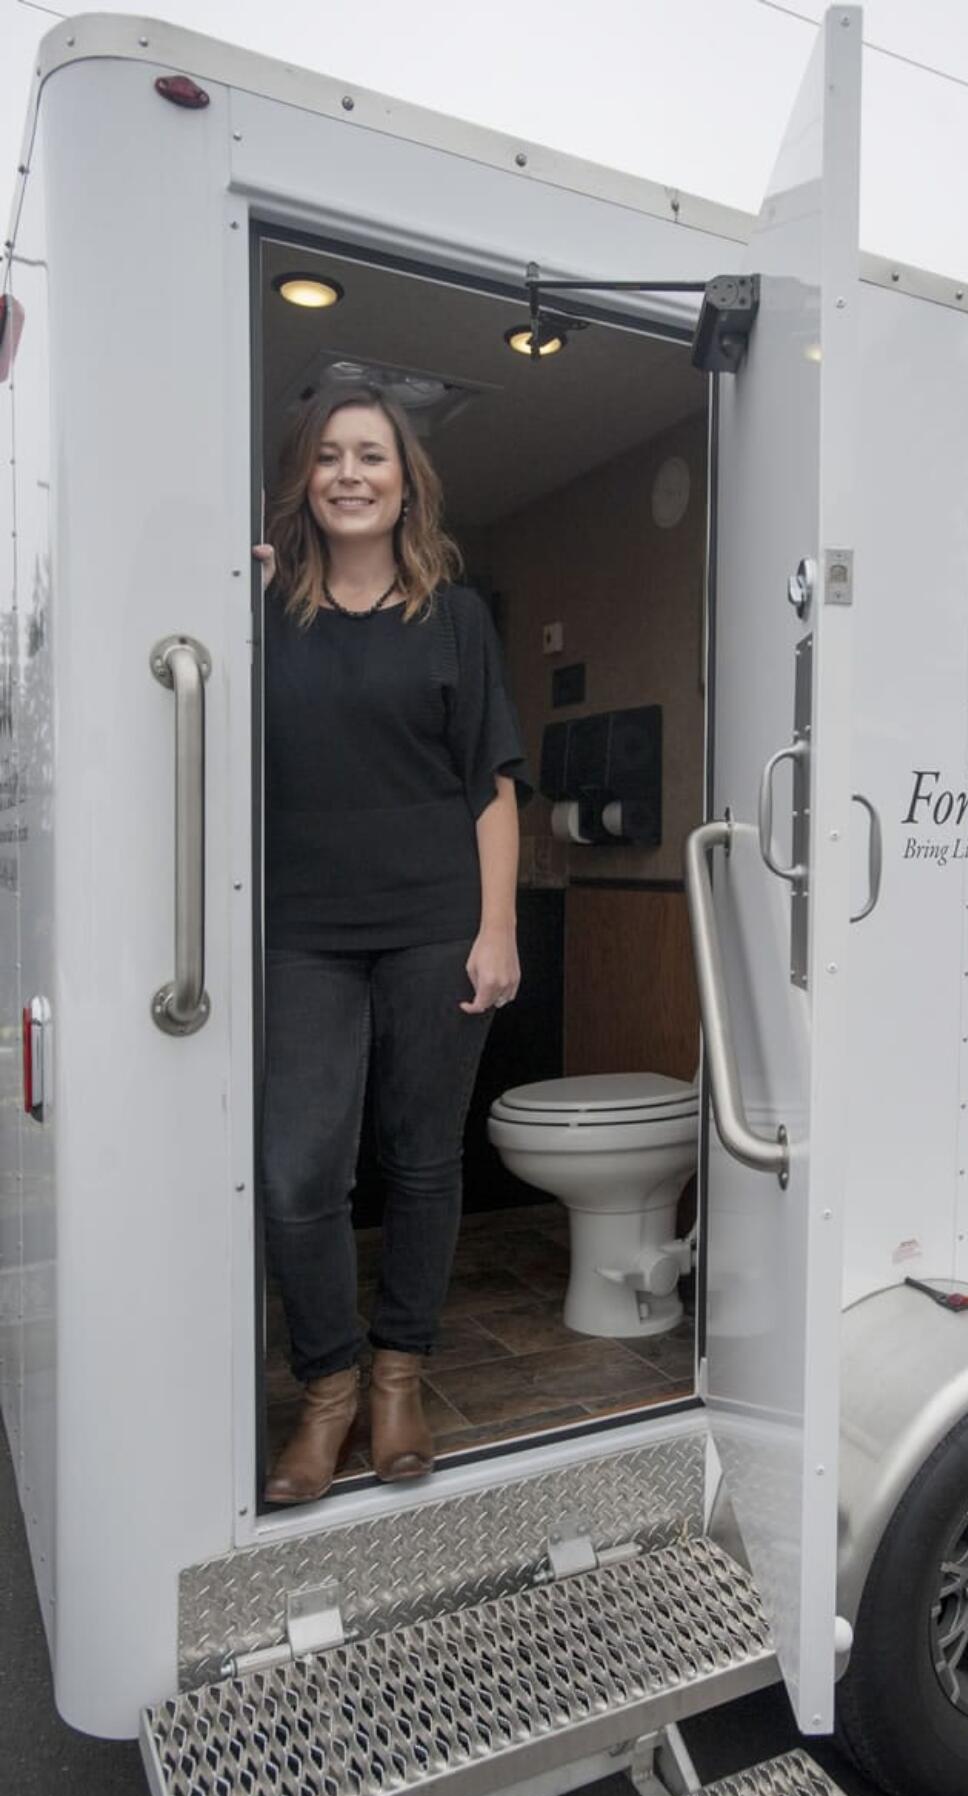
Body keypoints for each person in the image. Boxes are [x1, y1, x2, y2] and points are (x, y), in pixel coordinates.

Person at [254, 380, 530, 1505]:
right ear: (304, 481)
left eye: (371, 455)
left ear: (406, 479)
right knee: (296, 1175)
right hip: (301, 933)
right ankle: (327, 1387)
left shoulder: (455, 617)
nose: (350, 474)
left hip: (433, 923)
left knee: (421, 1160)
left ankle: (399, 1375)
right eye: (329, 457)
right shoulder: (264, 610)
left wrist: (496, 926)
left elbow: (490, 786)